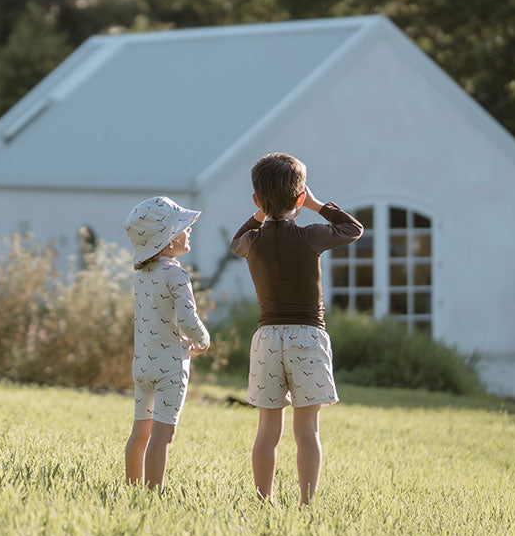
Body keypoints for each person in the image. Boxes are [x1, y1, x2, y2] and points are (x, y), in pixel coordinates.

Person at [230, 153, 363, 506]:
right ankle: (306, 503)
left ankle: (263, 499)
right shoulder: (311, 235)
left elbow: (236, 240)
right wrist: (318, 206)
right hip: (308, 335)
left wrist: (260, 214)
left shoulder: (252, 242)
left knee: (267, 430)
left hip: (267, 339)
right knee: (307, 430)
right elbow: (353, 229)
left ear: (257, 201)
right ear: (300, 198)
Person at [123, 196, 211, 491]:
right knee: (162, 435)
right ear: (168, 240)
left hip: (143, 365)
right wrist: (202, 338)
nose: (189, 231)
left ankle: (132, 487)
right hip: (170, 368)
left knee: (140, 432)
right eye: (183, 228)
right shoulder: (176, 274)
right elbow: (187, 318)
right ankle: (152, 493)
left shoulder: (142, 275)